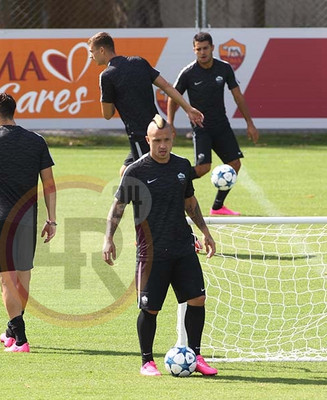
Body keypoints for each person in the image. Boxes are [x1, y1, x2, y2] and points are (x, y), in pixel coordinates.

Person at [102, 114, 219, 376]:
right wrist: (108, 238)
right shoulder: (136, 171)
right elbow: (118, 207)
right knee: (150, 308)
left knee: (197, 299)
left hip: (182, 247)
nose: (163, 146)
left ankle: (196, 356)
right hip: (151, 253)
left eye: (166, 140)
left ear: (173, 139)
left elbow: (190, 202)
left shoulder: (182, 165)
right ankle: (147, 361)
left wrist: (205, 232)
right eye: (157, 141)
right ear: (148, 140)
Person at [0, 92, 57, 353]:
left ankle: (20, 341)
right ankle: (12, 330)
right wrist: (52, 220)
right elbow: (49, 184)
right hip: (28, 218)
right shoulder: (36, 141)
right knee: (23, 278)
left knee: (6, 280)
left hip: (0, 219)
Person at [88, 31, 205, 176]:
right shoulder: (139, 62)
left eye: (91, 52)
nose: (90, 56)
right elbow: (166, 86)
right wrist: (188, 108)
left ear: (101, 50)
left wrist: (105, 93)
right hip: (158, 128)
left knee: (148, 178)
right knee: (126, 172)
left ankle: (180, 191)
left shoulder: (106, 76)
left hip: (140, 134)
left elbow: (107, 114)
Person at [167, 31, 259, 216]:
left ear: (212, 48)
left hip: (221, 125)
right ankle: (173, 184)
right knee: (202, 169)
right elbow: (172, 98)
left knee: (235, 164)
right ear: (194, 50)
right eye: (198, 49)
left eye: (205, 48)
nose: (202, 52)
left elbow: (238, 96)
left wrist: (250, 123)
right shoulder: (188, 73)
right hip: (201, 128)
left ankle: (217, 207)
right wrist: (170, 123)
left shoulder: (224, 68)